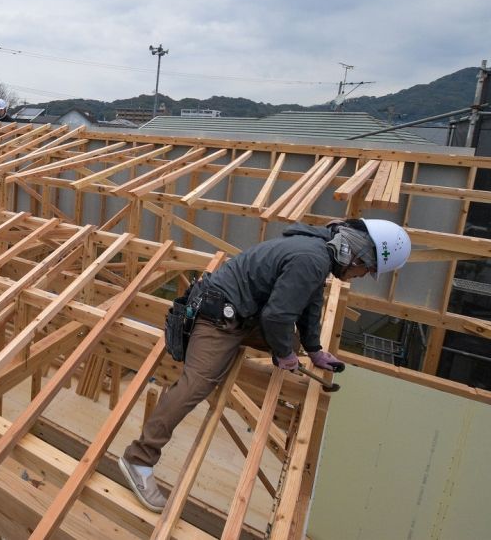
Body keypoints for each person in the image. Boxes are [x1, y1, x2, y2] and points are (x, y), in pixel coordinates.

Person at [119, 218, 411, 512]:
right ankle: (138, 459)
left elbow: (309, 303)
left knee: (289, 341)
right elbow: (276, 317)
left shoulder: (318, 252)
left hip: (244, 312)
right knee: (197, 384)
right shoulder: (312, 259)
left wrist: (314, 349)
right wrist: (284, 354)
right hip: (218, 317)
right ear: (358, 254)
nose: (363, 276)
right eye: (368, 269)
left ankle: (280, 349)